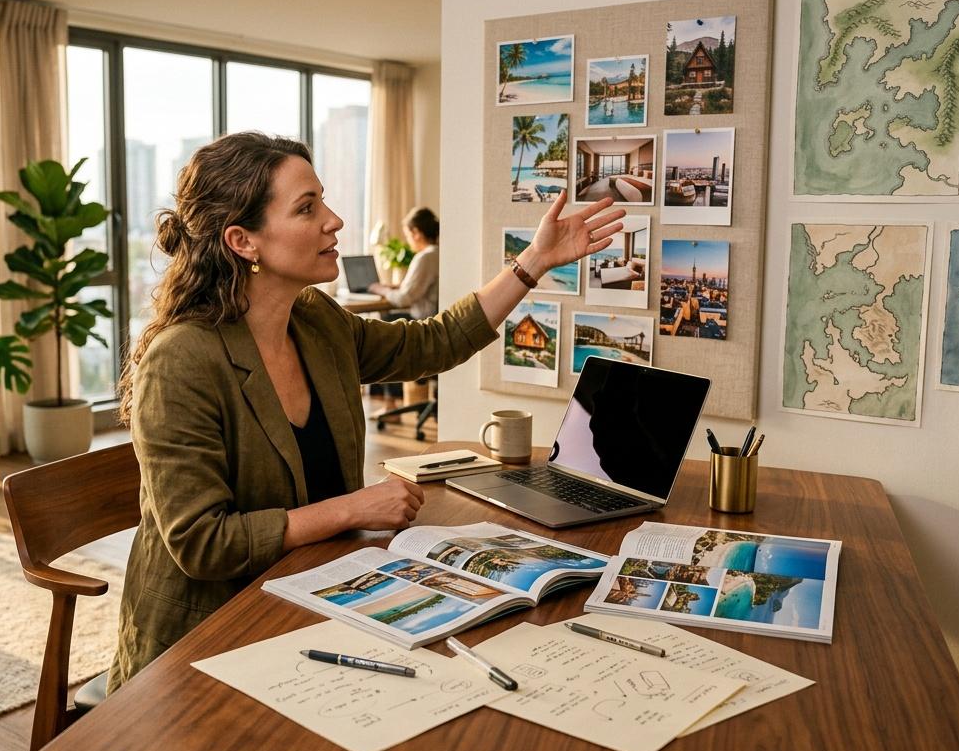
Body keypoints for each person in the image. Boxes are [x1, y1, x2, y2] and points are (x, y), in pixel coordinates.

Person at [106, 132, 623, 692]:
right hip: (206, 638)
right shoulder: (182, 359)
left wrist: (534, 262)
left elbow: (433, 343)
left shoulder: (315, 320)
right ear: (243, 240)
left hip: (308, 596)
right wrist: (351, 509)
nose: (334, 221)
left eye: (323, 200)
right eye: (307, 208)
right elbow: (203, 544)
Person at [369, 207, 439, 320]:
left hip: (422, 321)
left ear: (416, 233)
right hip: (433, 318)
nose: (408, 240)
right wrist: (397, 286)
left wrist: (381, 290)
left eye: (407, 235)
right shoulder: (438, 253)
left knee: (379, 322)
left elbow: (403, 299)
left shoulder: (425, 257)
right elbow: (423, 287)